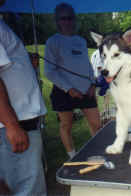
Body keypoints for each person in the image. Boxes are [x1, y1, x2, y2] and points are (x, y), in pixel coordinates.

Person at [44, 3, 101, 159]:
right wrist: (69, 89)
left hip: (86, 90)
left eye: (70, 18)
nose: (68, 21)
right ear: (57, 21)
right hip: (64, 91)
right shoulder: (52, 42)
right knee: (66, 125)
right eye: (63, 18)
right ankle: (72, 156)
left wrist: (92, 84)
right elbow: (49, 71)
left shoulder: (81, 41)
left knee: (96, 124)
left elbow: (87, 66)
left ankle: (97, 154)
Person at [0, 17, 47, 196]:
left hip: (17, 121)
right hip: (13, 124)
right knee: (27, 190)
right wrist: (12, 125)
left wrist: (24, 61)